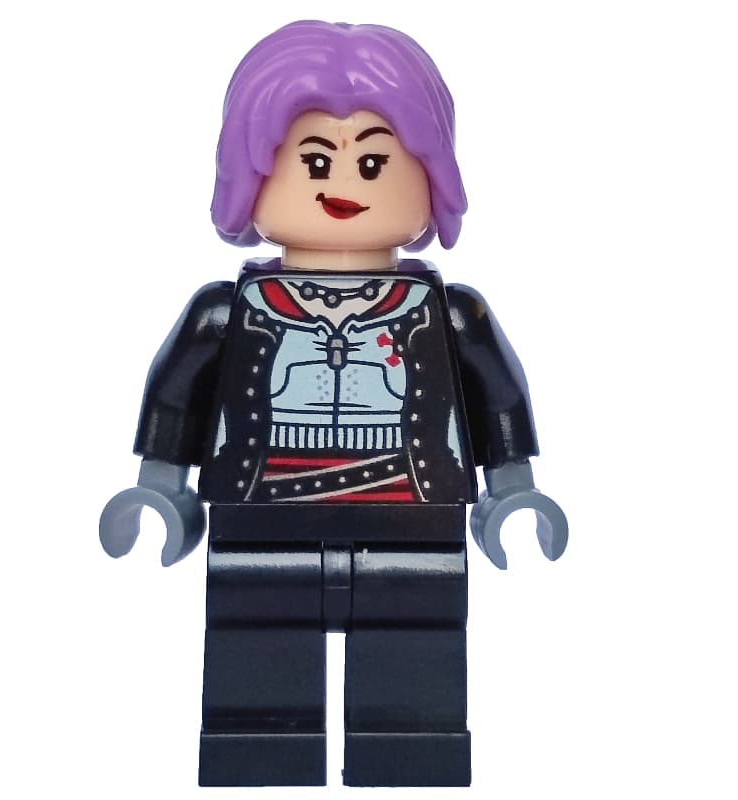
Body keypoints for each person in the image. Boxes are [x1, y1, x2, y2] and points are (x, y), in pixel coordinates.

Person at [100, 20, 567, 787]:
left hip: (413, 511)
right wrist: (161, 488)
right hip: (261, 509)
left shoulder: (450, 313)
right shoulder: (227, 310)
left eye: (375, 161)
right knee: (257, 630)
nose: (342, 184)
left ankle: (410, 747)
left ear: (431, 176)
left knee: (415, 637)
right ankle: (258, 749)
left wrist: (512, 492)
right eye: (313, 160)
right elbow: (177, 396)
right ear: (249, 174)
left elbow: (497, 398)